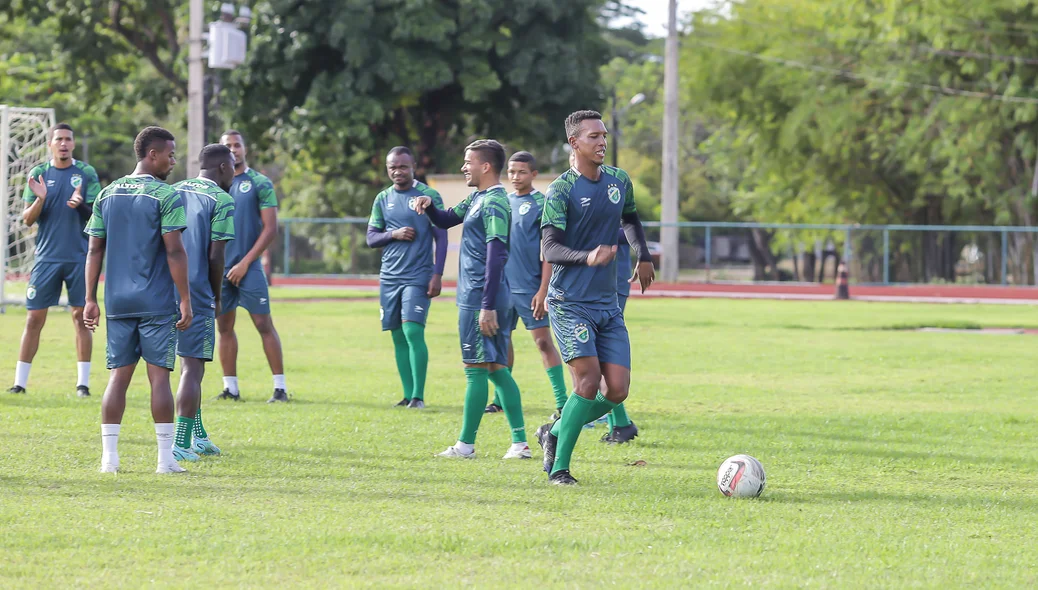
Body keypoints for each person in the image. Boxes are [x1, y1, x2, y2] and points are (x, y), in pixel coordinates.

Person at [535, 110, 655, 485]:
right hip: (570, 302)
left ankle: (554, 430)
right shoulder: (561, 190)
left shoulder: (619, 180)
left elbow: (631, 219)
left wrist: (644, 255)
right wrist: (586, 256)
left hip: (607, 304)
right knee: (587, 382)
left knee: (616, 391)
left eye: (604, 136)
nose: (602, 142)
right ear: (574, 143)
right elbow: (550, 248)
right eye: (593, 137)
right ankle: (559, 470)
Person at [83, 126, 194, 474]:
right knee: (159, 379)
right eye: (171, 154)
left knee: (118, 377)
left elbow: (93, 249)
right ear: (152, 155)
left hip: (116, 301)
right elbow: (174, 251)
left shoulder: (107, 193)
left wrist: (89, 298)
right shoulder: (165, 195)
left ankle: (109, 460)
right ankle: (164, 461)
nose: (174, 161)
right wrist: (186, 299)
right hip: (156, 300)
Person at [413, 139, 530, 460]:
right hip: (479, 295)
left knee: (476, 368)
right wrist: (428, 205)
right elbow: (446, 218)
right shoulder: (478, 197)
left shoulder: (494, 203)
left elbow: (496, 255)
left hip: (482, 296)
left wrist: (487, 305)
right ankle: (519, 443)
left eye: (468, 162)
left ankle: (466, 445)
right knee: (495, 367)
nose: (464, 167)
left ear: (486, 166)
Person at [9, 123, 100, 397]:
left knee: (79, 317)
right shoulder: (39, 173)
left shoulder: (86, 173)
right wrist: (41, 200)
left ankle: (82, 384)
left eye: (68, 139)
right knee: (34, 318)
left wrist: (80, 204)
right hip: (46, 259)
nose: (63, 143)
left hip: (78, 259)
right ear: (50, 143)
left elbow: (98, 216)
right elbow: (26, 219)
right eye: (58, 139)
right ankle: (20, 383)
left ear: (73, 144)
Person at [483, 151, 568, 417]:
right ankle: (499, 398)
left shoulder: (542, 204)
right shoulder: (502, 202)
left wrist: (543, 290)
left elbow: (549, 253)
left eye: (521, 172)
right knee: (502, 341)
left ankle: (562, 402)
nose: (515, 177)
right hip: (503, 287)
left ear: (533, 174)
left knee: (543, 343)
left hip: (530, 288)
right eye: (511, 172)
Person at [366, 146, 448, 409]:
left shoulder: (428, 195)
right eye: (392, 167)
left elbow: (442, 237)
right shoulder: (382, 198)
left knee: (413, 330)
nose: (397, 171)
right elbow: (371, 238)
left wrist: (437, 274)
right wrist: (394, 234)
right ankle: (406, 394)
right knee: (397, 334)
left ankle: (418, 396)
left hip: (418, 275)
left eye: (402, 166)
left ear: (413, 167)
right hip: (389, 277)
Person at [169, 144, 237, 459]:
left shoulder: (171, 190)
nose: (235, 172)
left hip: (163, 288)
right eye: (234, 165)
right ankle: (180, 444)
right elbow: (216, 255)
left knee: (185, 365)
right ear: (223, 167)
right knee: (193, 367)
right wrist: (217, 294)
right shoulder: (222, 200)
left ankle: (198, 436)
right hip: (196, 290)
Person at [216, 130, 288, 403]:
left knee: (263, 324)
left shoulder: (259, 182)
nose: (233, 149)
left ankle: (279, 388)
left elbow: (270, 229)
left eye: (237, 145)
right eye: (227, 146)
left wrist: (245, 263)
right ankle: (230, 388)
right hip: (220, 269)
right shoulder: (213, 184)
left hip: (249, 268)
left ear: (245, 148)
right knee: (224, 327)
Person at [600, 228, 638, 443]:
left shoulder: (617, 195)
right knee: (596, 356)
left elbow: (628, 231)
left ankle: (620, 423)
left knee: (599, 355)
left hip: (612, 283)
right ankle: (618, 423)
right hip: (593, 282)